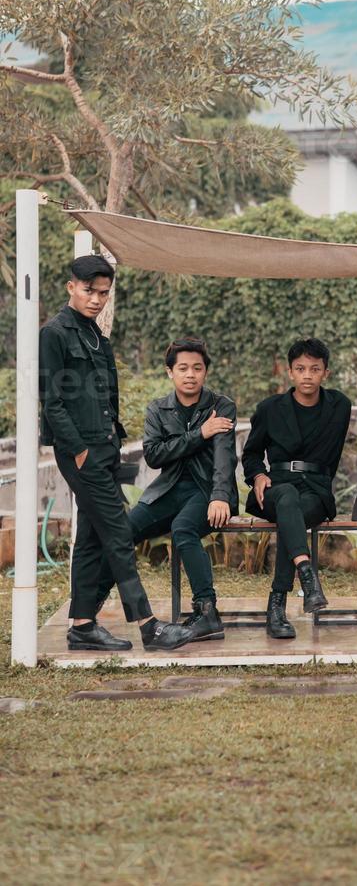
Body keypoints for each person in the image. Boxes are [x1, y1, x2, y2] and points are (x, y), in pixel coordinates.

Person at [39, 256, 193, 652]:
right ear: (71, 286)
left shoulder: (97, 337)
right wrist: (77, 453)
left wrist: (113, 444)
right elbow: (52, 402)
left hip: (107, 449)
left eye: (103, 293)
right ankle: (148, 626)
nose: (96, 299)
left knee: (91, 538)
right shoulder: (54, 334)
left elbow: (106, 398)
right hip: (82, 453)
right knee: (119, 534)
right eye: (89, 290)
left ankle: (82, 625)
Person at [94, 337, 238, 642]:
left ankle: (208, 612)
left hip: (207, 490)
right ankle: (88, 609)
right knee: (122, 532)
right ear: (169, 372)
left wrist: (220, 496)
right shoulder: (158, 409)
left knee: (183, 529)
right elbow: (154, 455)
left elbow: (225, 456)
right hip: (169, 490)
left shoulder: (221, 405)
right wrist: (200, 433)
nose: (190, 374)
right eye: (183, 368)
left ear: (205, 372)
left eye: (197, 368)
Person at [242, 339, 352, 639]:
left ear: (325, 373)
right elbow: (251, 453)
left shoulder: (339, 406)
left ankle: (277, 603)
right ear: (290, 373)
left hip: (316, 491)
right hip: (273, 489)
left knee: (294, 513)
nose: (307, 375)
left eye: (315, 369)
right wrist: (257, 476)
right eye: (300, 369)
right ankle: (307, 578)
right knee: (287, 497)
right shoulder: (269, 408)